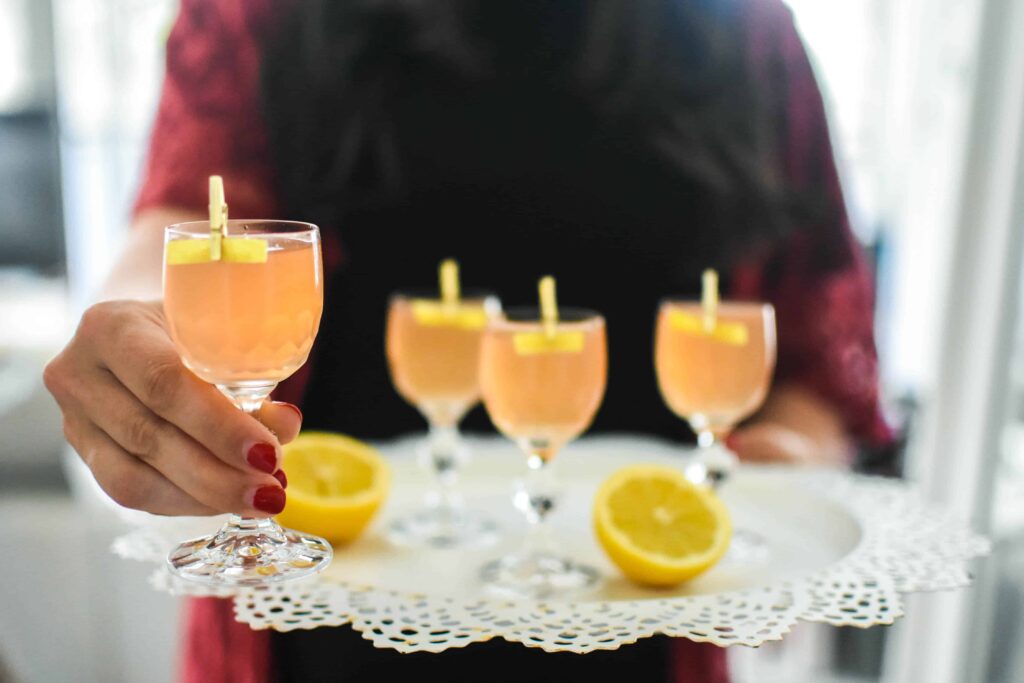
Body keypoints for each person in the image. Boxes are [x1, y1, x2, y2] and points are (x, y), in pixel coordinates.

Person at [43, 0, 892, 681]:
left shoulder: (744, 32)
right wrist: (137, 338)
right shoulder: (254, 15)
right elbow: (193, 222)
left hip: (638, 628)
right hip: (313, 638)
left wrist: (782, 468)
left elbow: (818, 339)